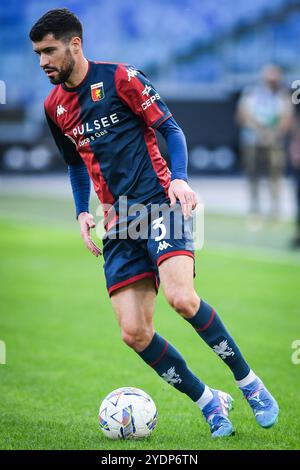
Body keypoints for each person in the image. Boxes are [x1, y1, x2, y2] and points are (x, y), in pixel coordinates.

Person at [29, 8, 278, 438]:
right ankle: (209, 401)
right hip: (118, 223)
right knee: (134, 333)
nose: (43, 61)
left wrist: (179, 180)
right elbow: (73, 163)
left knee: (182, 299)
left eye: (49, 50)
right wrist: (81, 209)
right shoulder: (54, 107)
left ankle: (250, 384)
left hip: (159, 204)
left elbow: (171, 129)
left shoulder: (122, 78)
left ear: (75, 44)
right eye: (37, 54)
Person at [237, 64, 293, 223]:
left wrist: (273, 134)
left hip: (274, 141)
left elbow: (286, 118)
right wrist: (260, 131)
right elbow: (243, 115)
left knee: (275, 175)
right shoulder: (252, 93)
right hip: (252, 139)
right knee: (252, 173)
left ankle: (275, 210)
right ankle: (255, 208)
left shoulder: (282, 95)